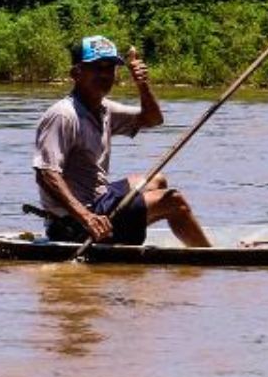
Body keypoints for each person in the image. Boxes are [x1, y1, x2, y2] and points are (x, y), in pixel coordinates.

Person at [32, 35, 211, 247]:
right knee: (174, 202)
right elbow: (46, 174)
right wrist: (86, 217)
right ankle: (210, 257)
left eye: (110, 68)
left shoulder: (103, 109)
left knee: (157, 180)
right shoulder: (64, 115)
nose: (105, 75)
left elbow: (153, 119)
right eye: (97, 67)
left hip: (99, 201)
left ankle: (130, 229)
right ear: (76, 73)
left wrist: (142, 85)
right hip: (76, 223)